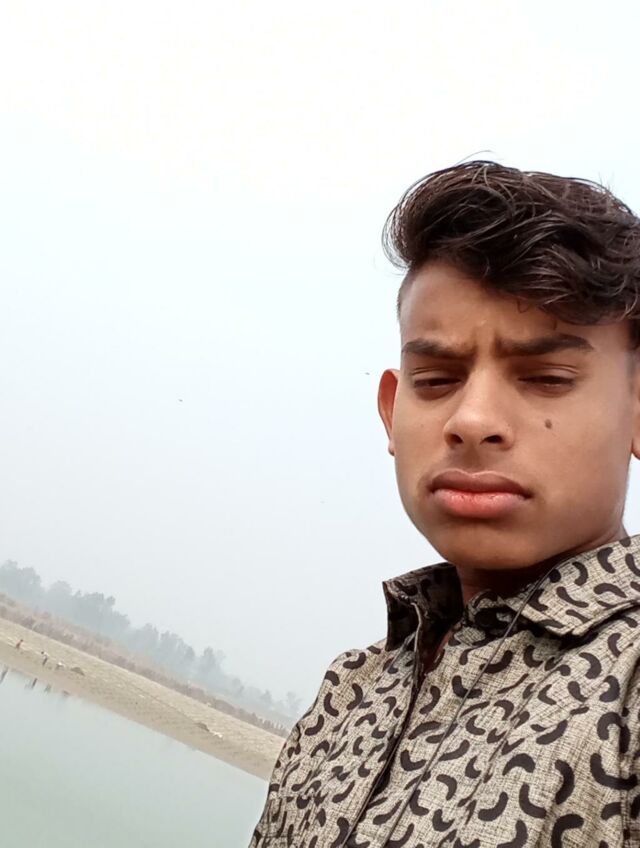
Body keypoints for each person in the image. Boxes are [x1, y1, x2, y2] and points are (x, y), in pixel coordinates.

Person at [248, 162, 640, 847]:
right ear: (392, 410)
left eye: (546, 378)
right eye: (436, 379)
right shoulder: (350, 693)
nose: (473, 419)